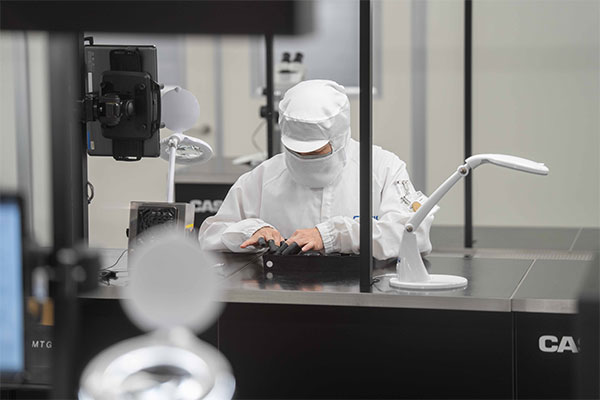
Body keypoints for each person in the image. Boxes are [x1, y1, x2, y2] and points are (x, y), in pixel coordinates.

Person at [198, 80, 436, 259]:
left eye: (316, 152)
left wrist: (336, 235)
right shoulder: (264, 177)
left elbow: (414, 233)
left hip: (365, 297)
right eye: (296, 151)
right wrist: (252, 230)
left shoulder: (382, 168)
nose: (305, 159)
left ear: (340, 138)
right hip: (283, 297)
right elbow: (211, 233)